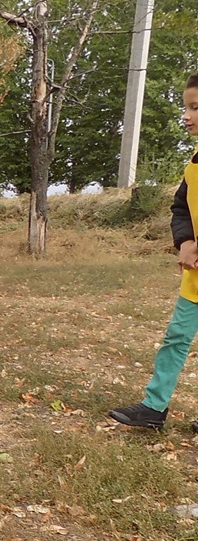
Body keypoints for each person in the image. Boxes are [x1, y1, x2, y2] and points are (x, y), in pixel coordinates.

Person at [110, 72, 198, 430]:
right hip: (195, 280)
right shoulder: (193, 165)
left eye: (195, 108)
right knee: (176, 338)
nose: (186, 116)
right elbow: (181, 208)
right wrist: (186, 241)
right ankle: (154, 407)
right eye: (186, 107)